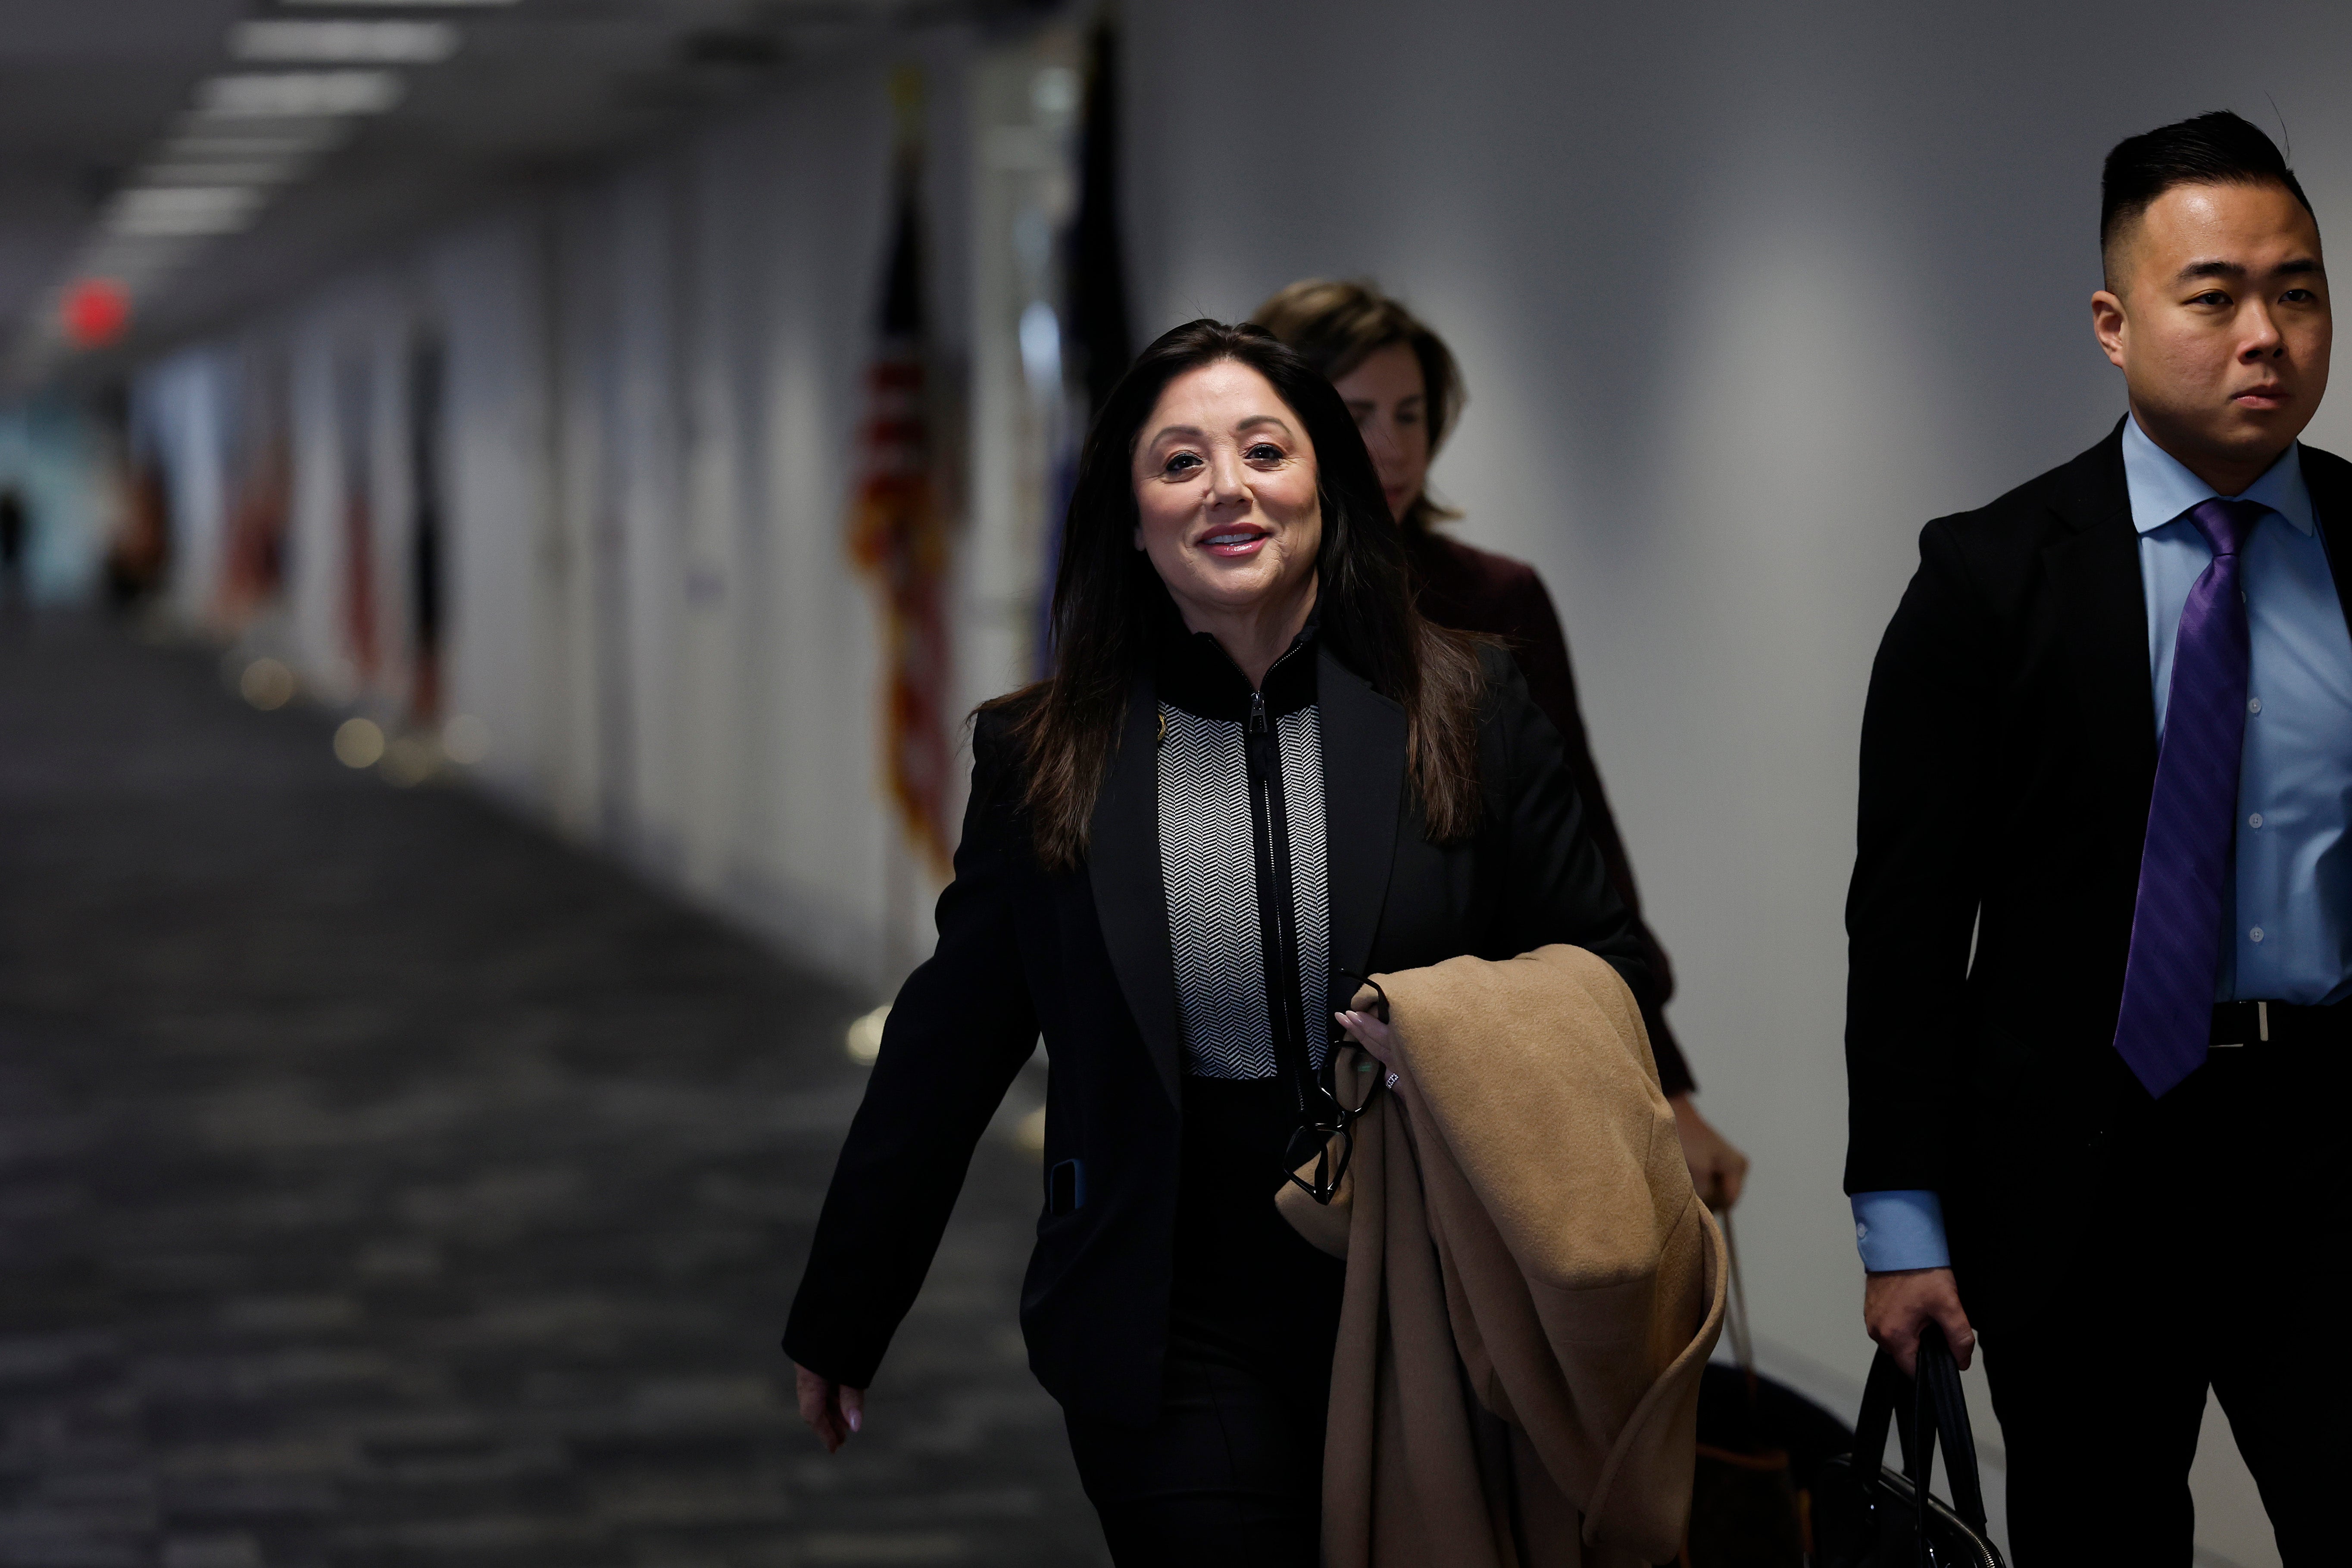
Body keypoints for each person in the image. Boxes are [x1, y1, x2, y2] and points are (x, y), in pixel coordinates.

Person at [783, 320, 1649, 1563]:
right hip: (1165, 1305)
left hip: (1425, 1283)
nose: (1228, 487)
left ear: (1325, 490)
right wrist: (846, 1302)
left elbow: (1596, 964)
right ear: (1130, 519)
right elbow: (949, 1041)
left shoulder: (1465, 708)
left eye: (1263, 449)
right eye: (1179, 462)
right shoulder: (1045, 757)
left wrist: (1454, 1029)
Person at [1846, 111, 2345, 1562]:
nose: (2264, 334)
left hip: (2327, 1153)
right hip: (2080, 1166)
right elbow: (1904, 923)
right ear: (2112, 324)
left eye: (2296, 290)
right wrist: (1899, 1219)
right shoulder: (1983, 580)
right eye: (2214, 296)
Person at [1252, 279, 1748, 1209]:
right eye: (1357, 413)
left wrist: (1665, 1090)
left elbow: (1583, 862)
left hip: (1460, 1073)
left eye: (1411, 414)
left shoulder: (1491, 602)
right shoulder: (1233, 601)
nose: (1394, 447)